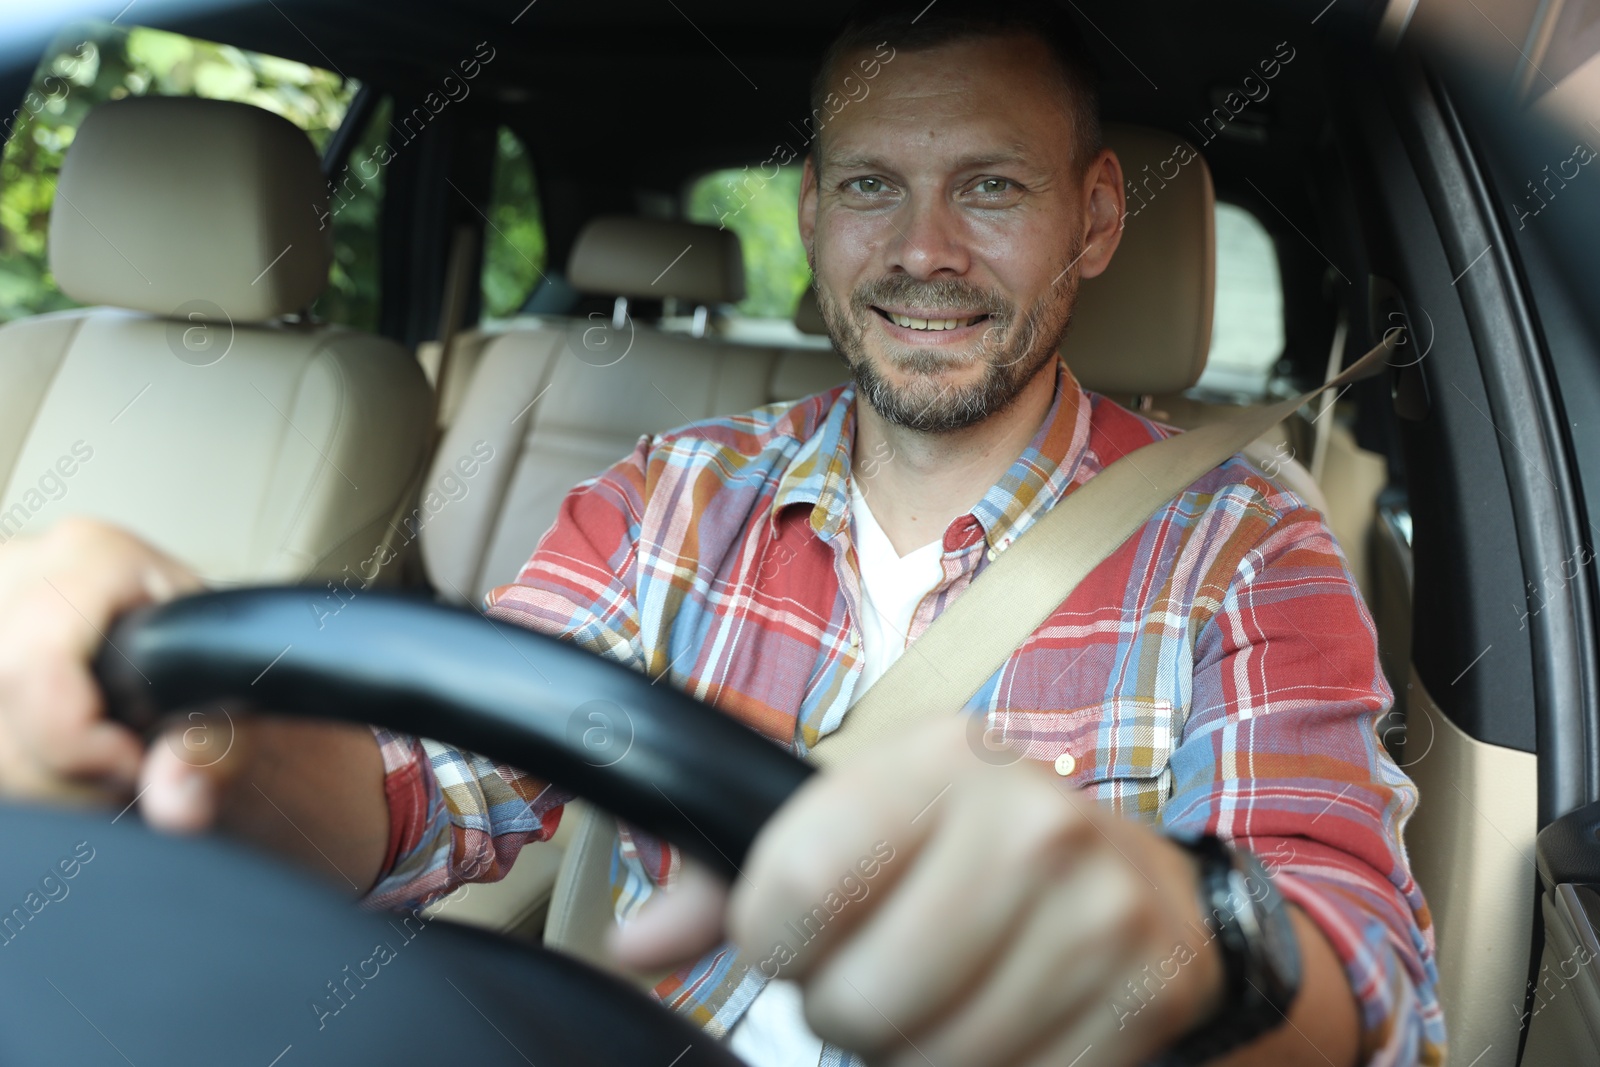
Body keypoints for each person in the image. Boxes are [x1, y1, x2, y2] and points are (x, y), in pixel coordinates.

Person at [0, 3, 1443, 1064]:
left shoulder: (1239, 535)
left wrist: (1184, 947)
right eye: (872, 184)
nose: (923, 250)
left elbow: (1359, 965)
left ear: (1094, 220)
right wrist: (204, 743)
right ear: (813, 218)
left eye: (991, 186)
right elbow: (423, 788)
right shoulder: (668, 497)